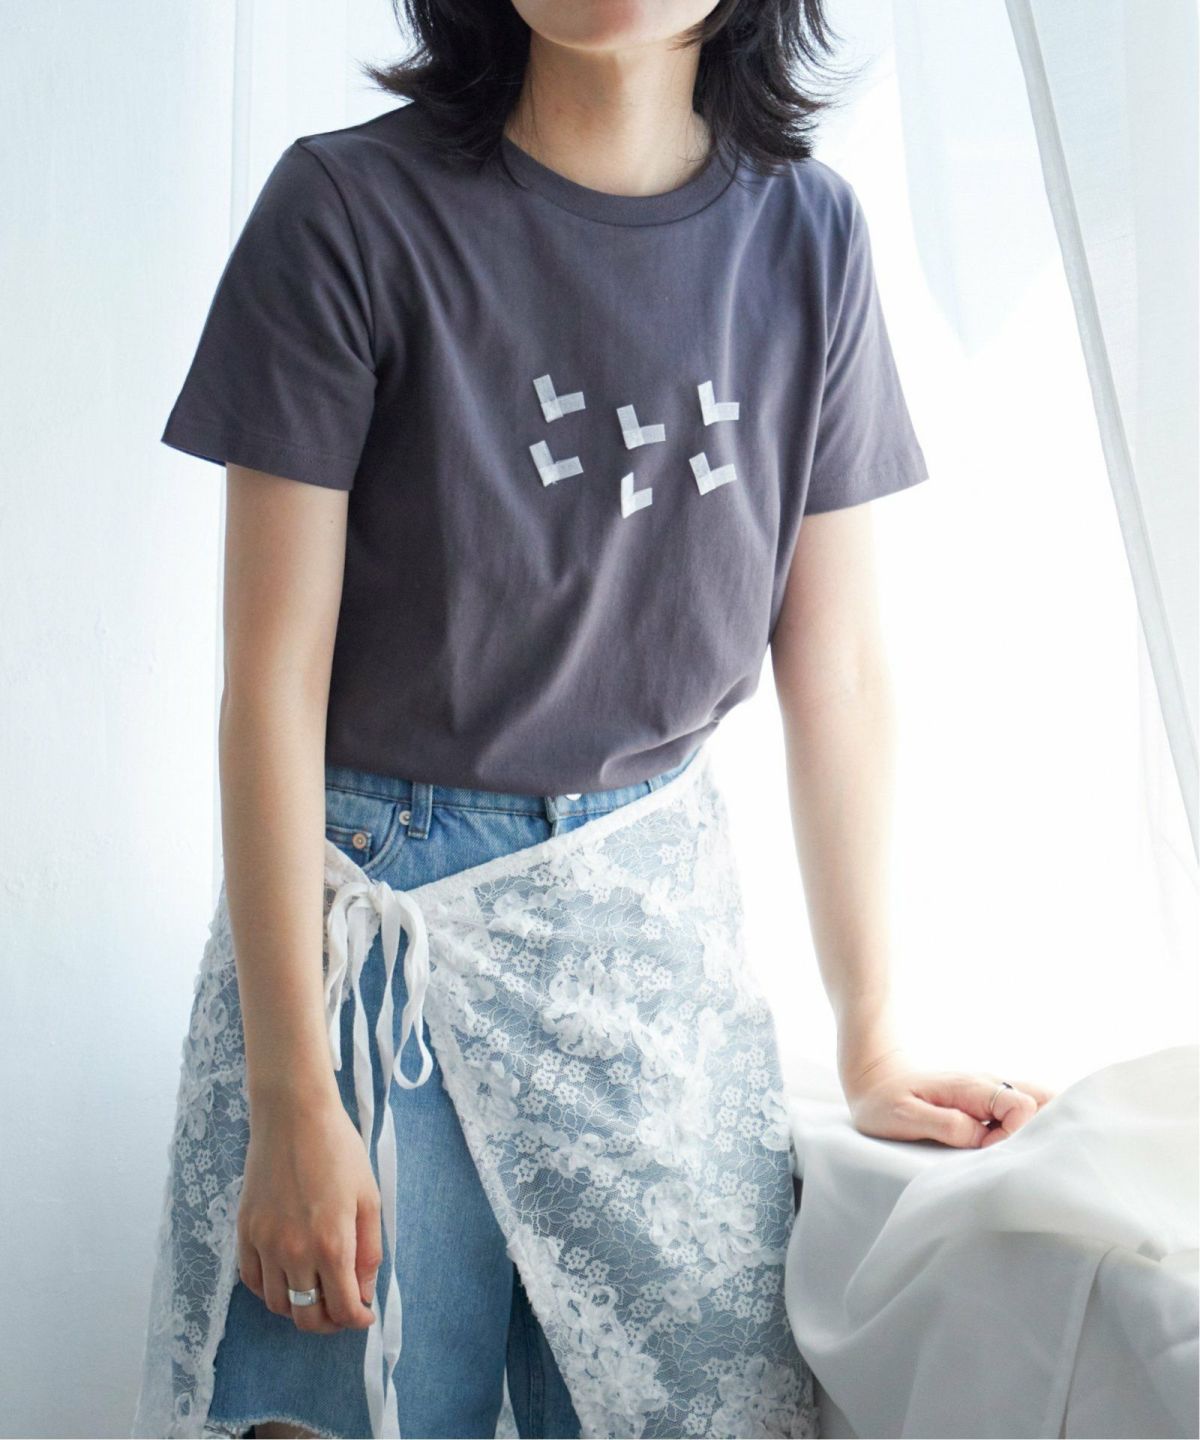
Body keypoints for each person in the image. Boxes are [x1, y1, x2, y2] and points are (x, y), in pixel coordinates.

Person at [134, 3, 1057, 1438]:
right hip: (372, 930)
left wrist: (873, 1037)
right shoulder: (347, 210)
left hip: (652, 930)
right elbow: (268, 685)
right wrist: (292, 1095)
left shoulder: (808, 233)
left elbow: (837, 667)